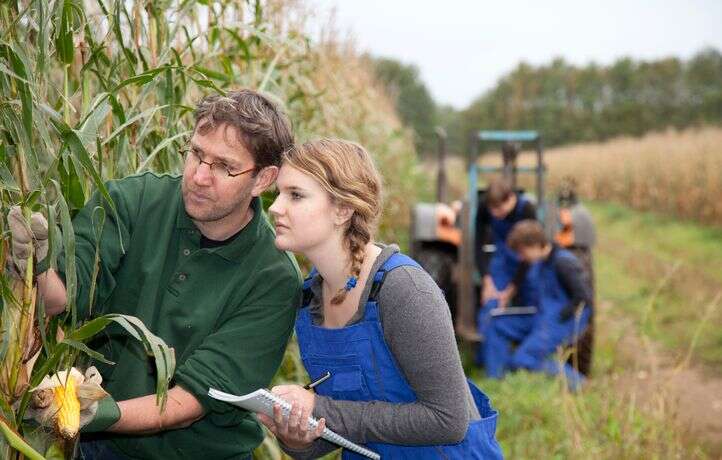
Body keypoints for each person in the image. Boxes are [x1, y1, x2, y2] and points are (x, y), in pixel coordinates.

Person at [7, 89, 301, 459]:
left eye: (224, 167)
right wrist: (35, 263)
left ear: (263, 179)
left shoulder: (274, 278)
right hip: (99, 446)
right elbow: (61, 297)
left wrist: (90, 410)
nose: (199, 176)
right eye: (196, 154)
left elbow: (186, 404)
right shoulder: (132, 200)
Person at [261, 139, 503, 459]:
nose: (275, 207)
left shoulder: (403, 291)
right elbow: (341, 426)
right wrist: (297, 437)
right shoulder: (310, 300)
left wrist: (323, 409)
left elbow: (448, 420)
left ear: (343, 210)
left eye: (295, 195)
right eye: (279, 194)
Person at [482, 220, 592, 390]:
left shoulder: (564, 263)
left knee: (523, 359)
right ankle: (496, 381)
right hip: (541, 316)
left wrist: (562, 317)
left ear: (534, 245)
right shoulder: (539, 262)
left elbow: (584, 297)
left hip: (562, 321)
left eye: (521, 251)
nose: (520, 257)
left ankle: (580, 384)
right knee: (497, 323)